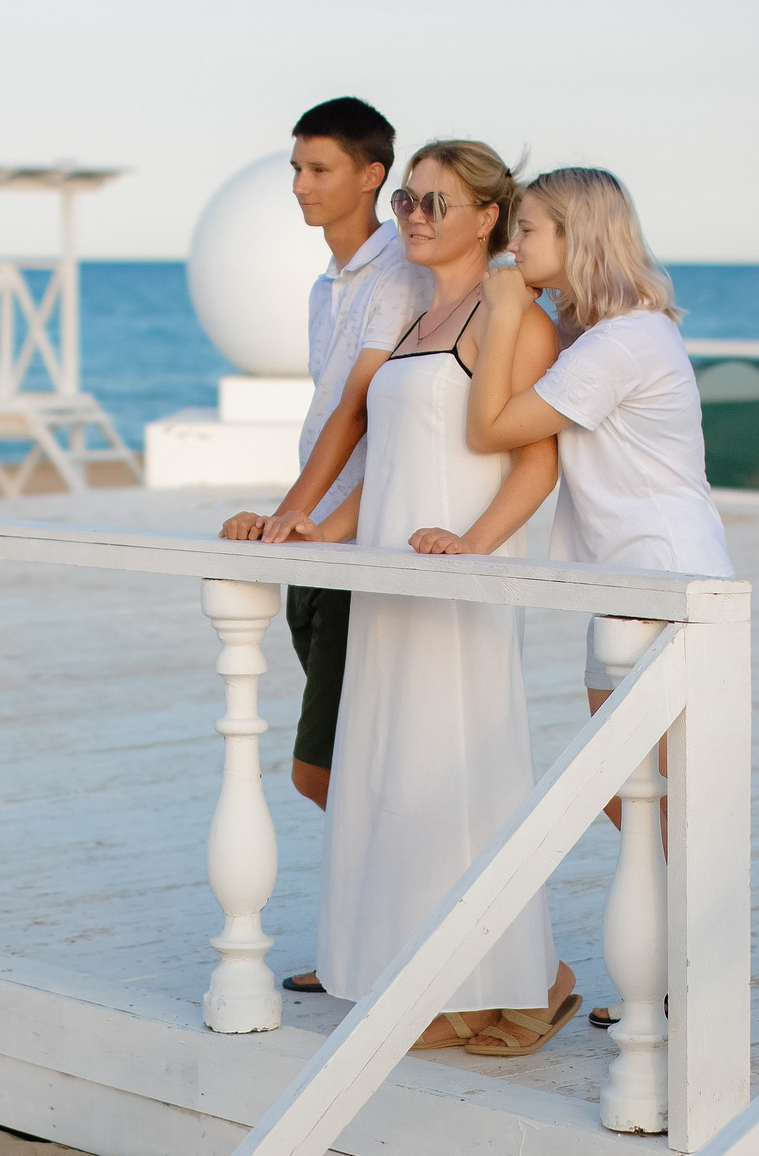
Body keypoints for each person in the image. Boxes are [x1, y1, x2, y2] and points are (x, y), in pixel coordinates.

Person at [281, 140, 580, 1057]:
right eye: (408, 199)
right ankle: (421, 970)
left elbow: (539, 456)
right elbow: (395, 466)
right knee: (393, 776)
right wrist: (315, 532)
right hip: (388, 583)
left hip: (453, 586)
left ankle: (500, 984)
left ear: (488, 217)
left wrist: (473, 549)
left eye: (436, 202)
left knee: (457, 779)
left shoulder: (510, 316)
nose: (413, 214)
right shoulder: (419, 317)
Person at [465, 165, 731, 1028]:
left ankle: (686, 983)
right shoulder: (602, 335)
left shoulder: (622, 342)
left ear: (576, 238)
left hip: (660, 574)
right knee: (633, 793)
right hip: (625, 577)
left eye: (530, 230)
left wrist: (507, 311)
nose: (515, 245)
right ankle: (671, 975)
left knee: (659, 793)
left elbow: (491, 427)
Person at [219, 97, 428, 817]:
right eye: (296, 168)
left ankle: (387, 917)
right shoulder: (322, 288)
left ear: (372, 174)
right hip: (315, 534)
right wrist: (290, 517)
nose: (301, 184)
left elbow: (358, 411)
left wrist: (290, 515)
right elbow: (328, 422)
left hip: (354, 535)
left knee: (325, 771)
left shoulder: (399, 274)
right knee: (348, 763)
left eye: (320, 168)